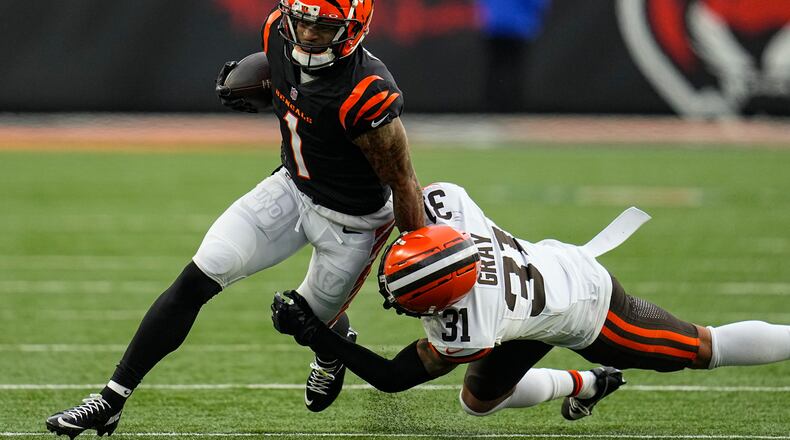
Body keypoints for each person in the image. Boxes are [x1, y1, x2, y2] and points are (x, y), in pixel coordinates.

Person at [46, 0, 424, 437]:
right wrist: (262, 84)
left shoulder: (368, 92)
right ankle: (111, 399)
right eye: (299, 20)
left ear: (355, 28)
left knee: (305, 320)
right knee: (199, 276)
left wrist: (416, 252)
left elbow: (403, 183)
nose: (305, 33)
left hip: (353, 223)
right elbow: (288, 80)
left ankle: (332, 348)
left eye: (321, 27)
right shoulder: (274, 33)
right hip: (292, 187)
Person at [272, 181, 790, 420]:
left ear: (446, 304)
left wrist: (315, 334)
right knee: (477, 404)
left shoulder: (472, 325)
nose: (399, 304)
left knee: (701, 348)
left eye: (413, 304)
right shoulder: (447, 208)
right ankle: (590, 383)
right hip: (528, 309)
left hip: (588, 304)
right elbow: (410, 202)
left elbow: (392, 378)